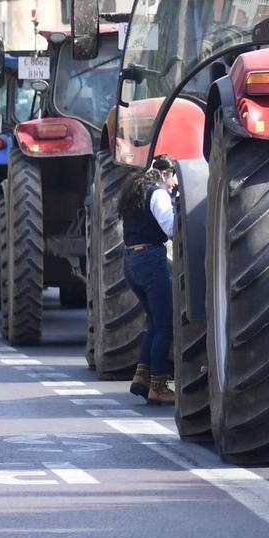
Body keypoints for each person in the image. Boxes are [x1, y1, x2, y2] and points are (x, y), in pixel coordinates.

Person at [119, 156, 178, 405]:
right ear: (166, 173)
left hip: (131, 261)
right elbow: (171, 227)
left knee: (154, 321)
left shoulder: (135, 192)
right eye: (174, 177)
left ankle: (141, 377)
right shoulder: (159, 194)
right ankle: (158, 385)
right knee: (165, 325)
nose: (174, 184)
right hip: (151, 261)